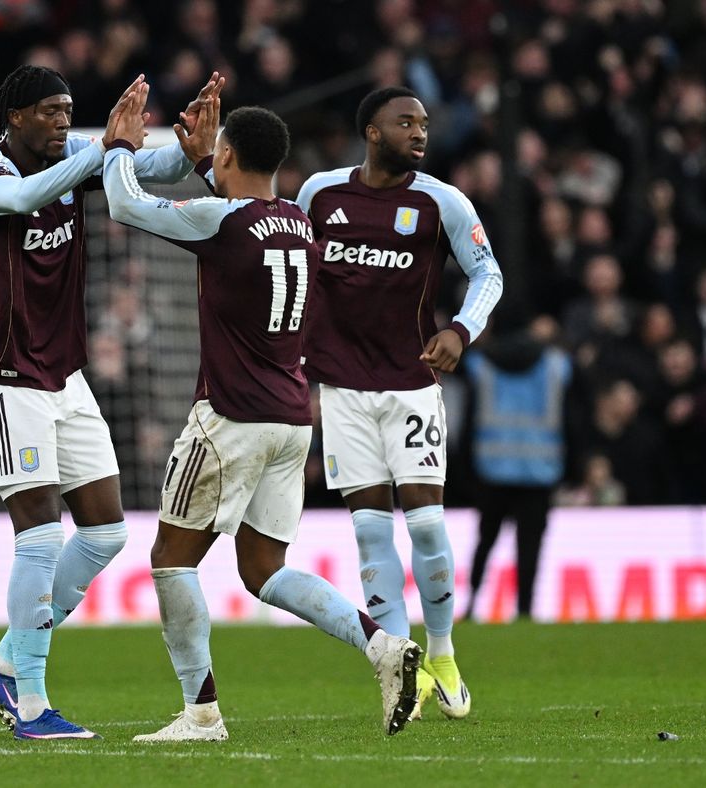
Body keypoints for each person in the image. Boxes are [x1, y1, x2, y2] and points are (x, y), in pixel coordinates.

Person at [102, 85, 422, 743]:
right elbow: (238, 221)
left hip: (231, 417)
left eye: (215, 153)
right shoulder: (296, 221)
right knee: (263, 570)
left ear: (227, 153)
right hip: (290, 417)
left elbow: (123, 203)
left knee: (170, 558)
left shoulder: (221, 221)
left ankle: (200, 714)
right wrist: (203, 167)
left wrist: (120, 147)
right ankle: (381, 646)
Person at [0, 64, 223, 741]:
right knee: (42, 535)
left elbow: (147, 169)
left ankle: (5, 663)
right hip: (5, 378)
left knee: (105, 531)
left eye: (69, 110)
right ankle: (33, 703)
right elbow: (18, 203)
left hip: (64, 376)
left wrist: (188, 150)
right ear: (14, 116)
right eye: (50, 110)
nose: (61, 122)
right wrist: (104, 152)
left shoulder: (76, 157)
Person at [295, 86, 504, 721]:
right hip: (342, 391)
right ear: (372, 131)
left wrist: (459, 330)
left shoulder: (441, 201)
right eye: (404, 122)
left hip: (412, 384)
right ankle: (398, 663)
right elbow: (295, 274)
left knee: (427, 526)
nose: (419, 132)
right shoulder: (319, 196)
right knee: (368, 532)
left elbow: (488, 273)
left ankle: (441, 650)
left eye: (424, 123)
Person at [461, 315, 575, 621]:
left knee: (485, 541)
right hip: (541, 472)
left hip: (491, 470)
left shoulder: (480, 364)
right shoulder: (556, 366)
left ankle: (471, 604)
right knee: (530, 546)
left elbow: (467, 423)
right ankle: (524, 609)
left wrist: (464, 472)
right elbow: (572, 421)